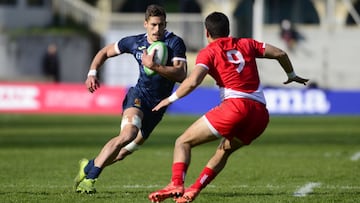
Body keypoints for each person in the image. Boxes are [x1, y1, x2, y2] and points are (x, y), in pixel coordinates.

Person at [148, 12, 308, 203]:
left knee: (183, 142)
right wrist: (291, 74)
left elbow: (193, 82)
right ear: (228, 30)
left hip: (235, 108)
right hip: (259, 115)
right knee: (224, 151)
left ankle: (176, 183)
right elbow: (280, 53)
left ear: (207, 32)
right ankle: (194, 190)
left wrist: (170, 98)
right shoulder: (247, 43)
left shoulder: (209, 51)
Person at [74, 4, 187, 194]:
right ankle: (90, 180)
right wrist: (92, 72)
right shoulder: (134, 42)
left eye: (161, 25)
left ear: (165, 24)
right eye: (153, 25)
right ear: (145, 24)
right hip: (139, 96)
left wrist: (154, 66)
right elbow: (104, 52)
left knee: (122, 153)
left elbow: (181, 74)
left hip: (158, 106)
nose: (157, 29)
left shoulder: (175, 43)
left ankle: (87, 167)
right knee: (128, 135)